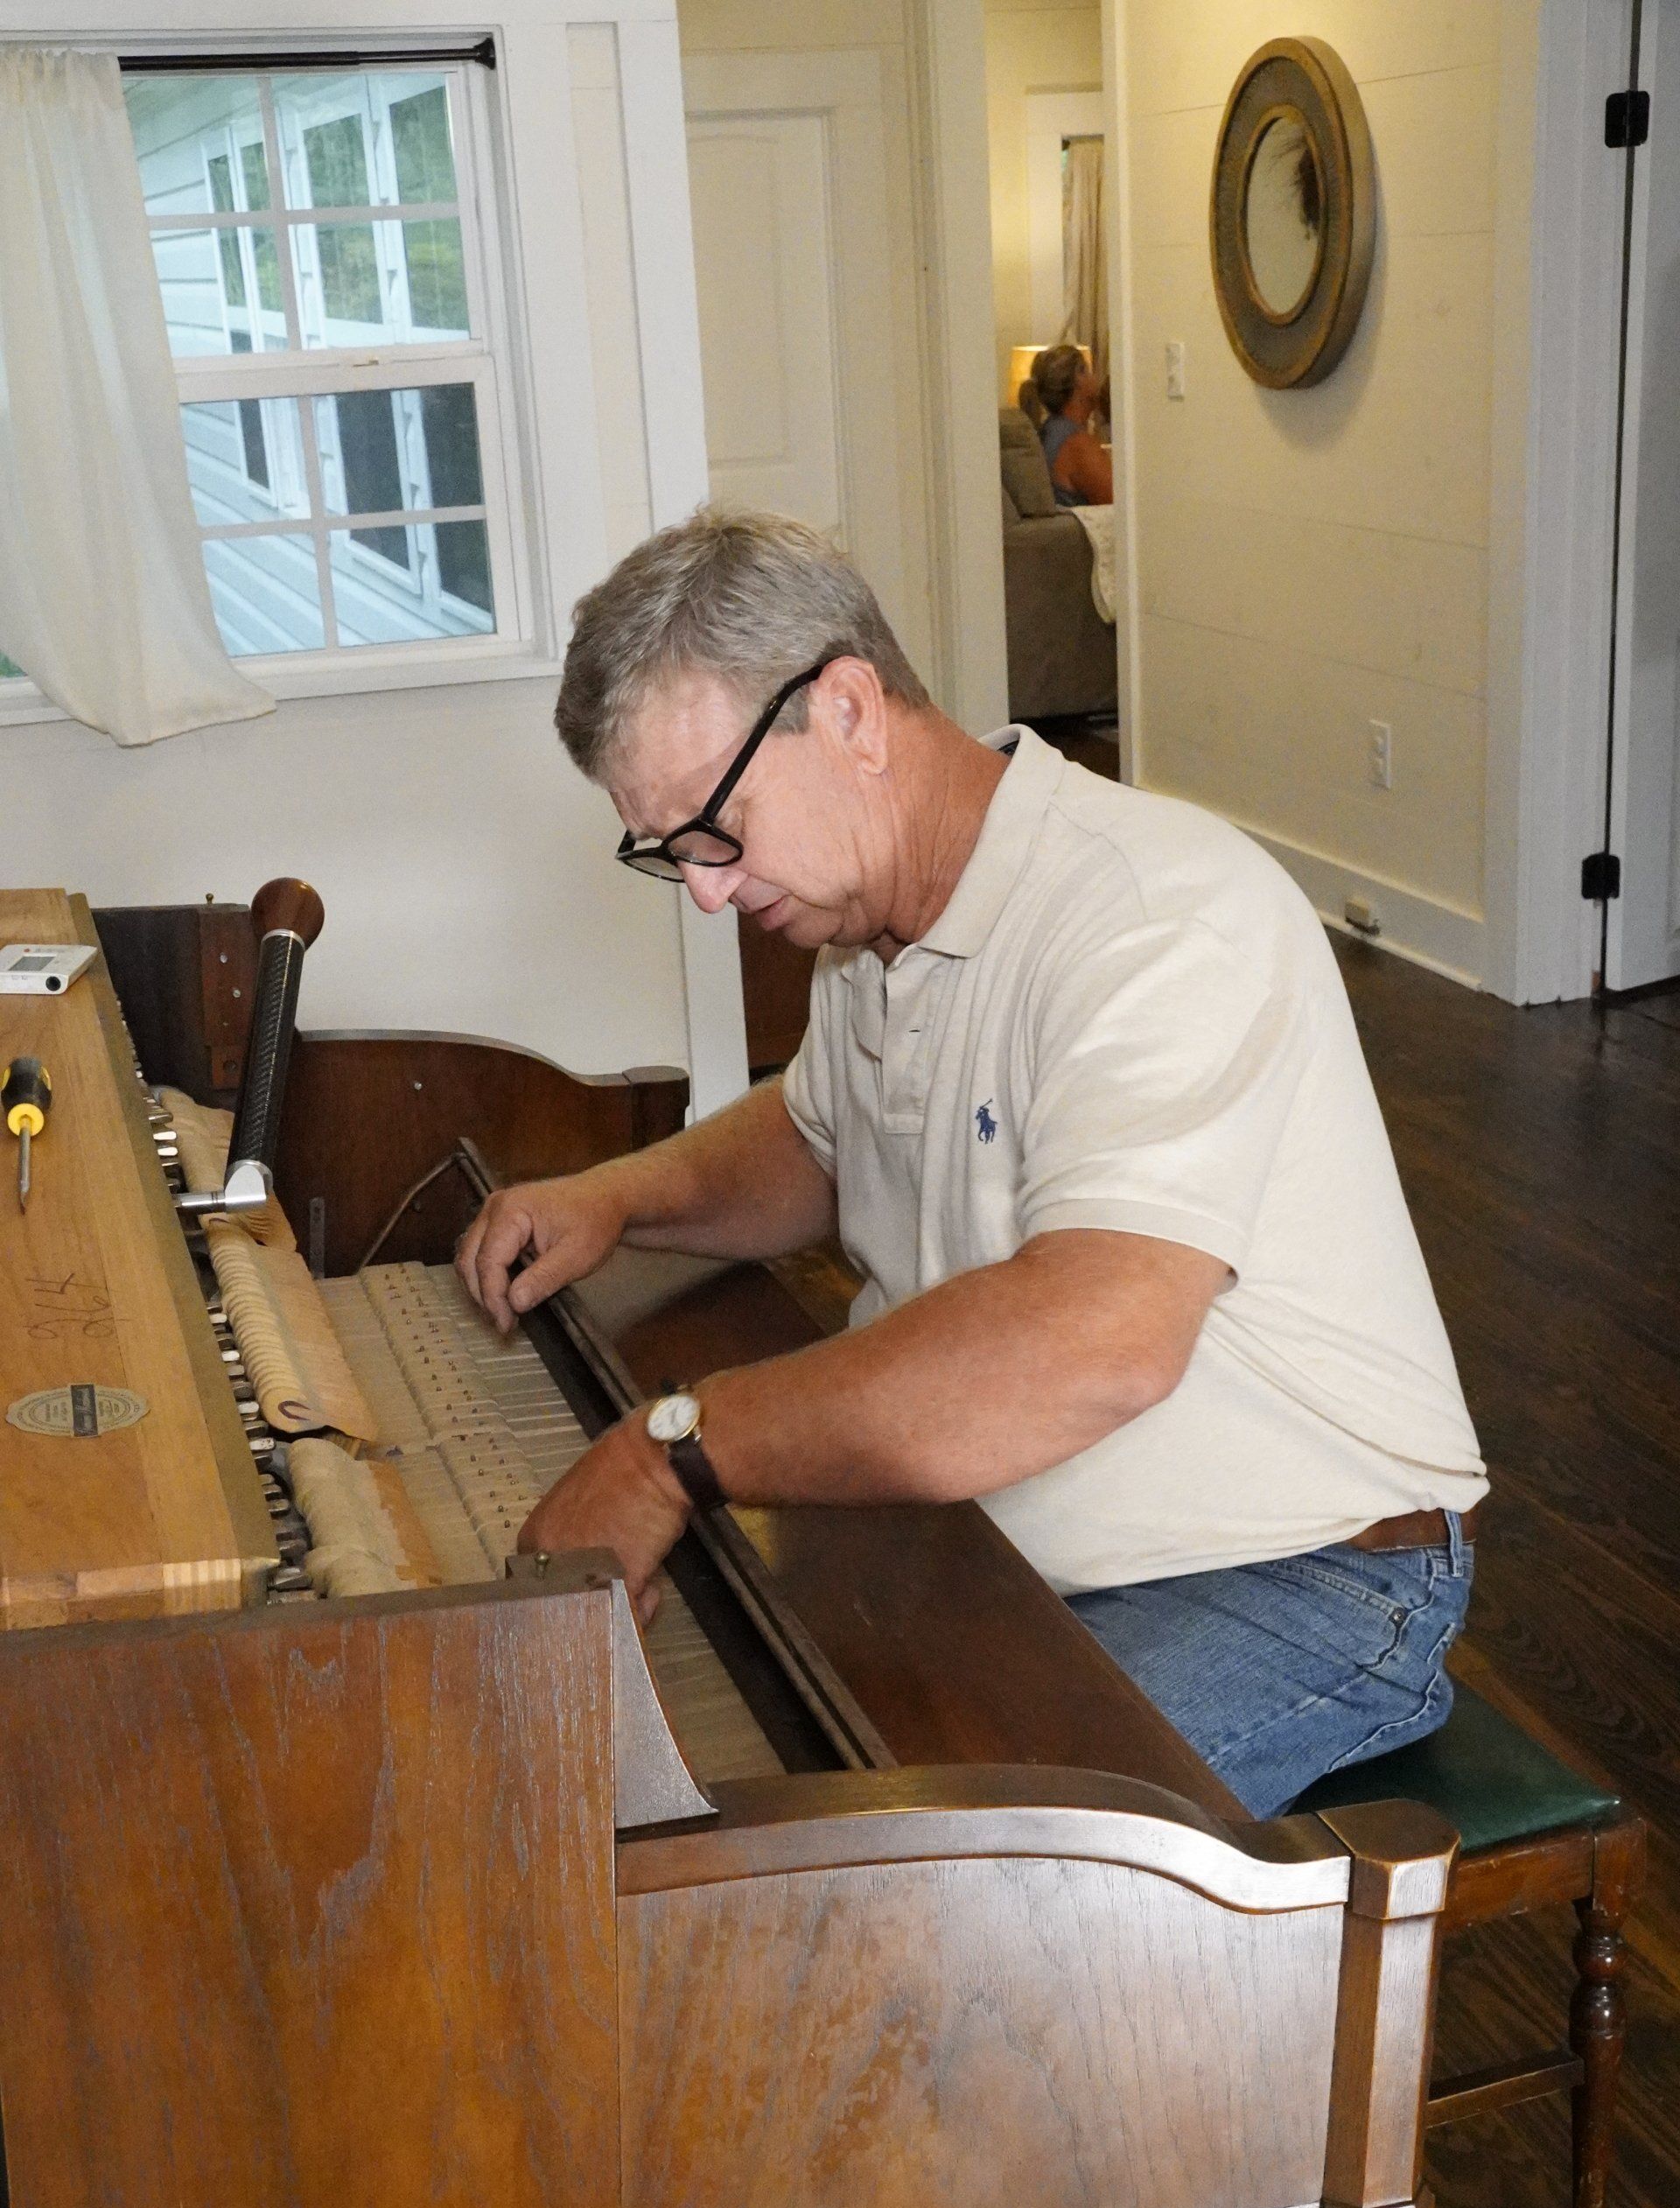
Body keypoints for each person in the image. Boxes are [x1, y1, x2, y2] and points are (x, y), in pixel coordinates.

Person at [456, 510, 1487, 1820]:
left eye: (714, 828)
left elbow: (1096, 1340)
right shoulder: (872, 930)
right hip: (1011, 1542)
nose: (706, 893)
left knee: (923, 1914)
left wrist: (675, 1448)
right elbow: (823, 1138)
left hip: (1302, 1577)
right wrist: (620, 1196)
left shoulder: (1158, 915)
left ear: (849, 711)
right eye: (669, 854)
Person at [1020, 343, 1112, 508]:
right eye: (1088, 370)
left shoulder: (1051, 430)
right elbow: (1123, 505)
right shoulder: (1077, 444)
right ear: (1079, 379)